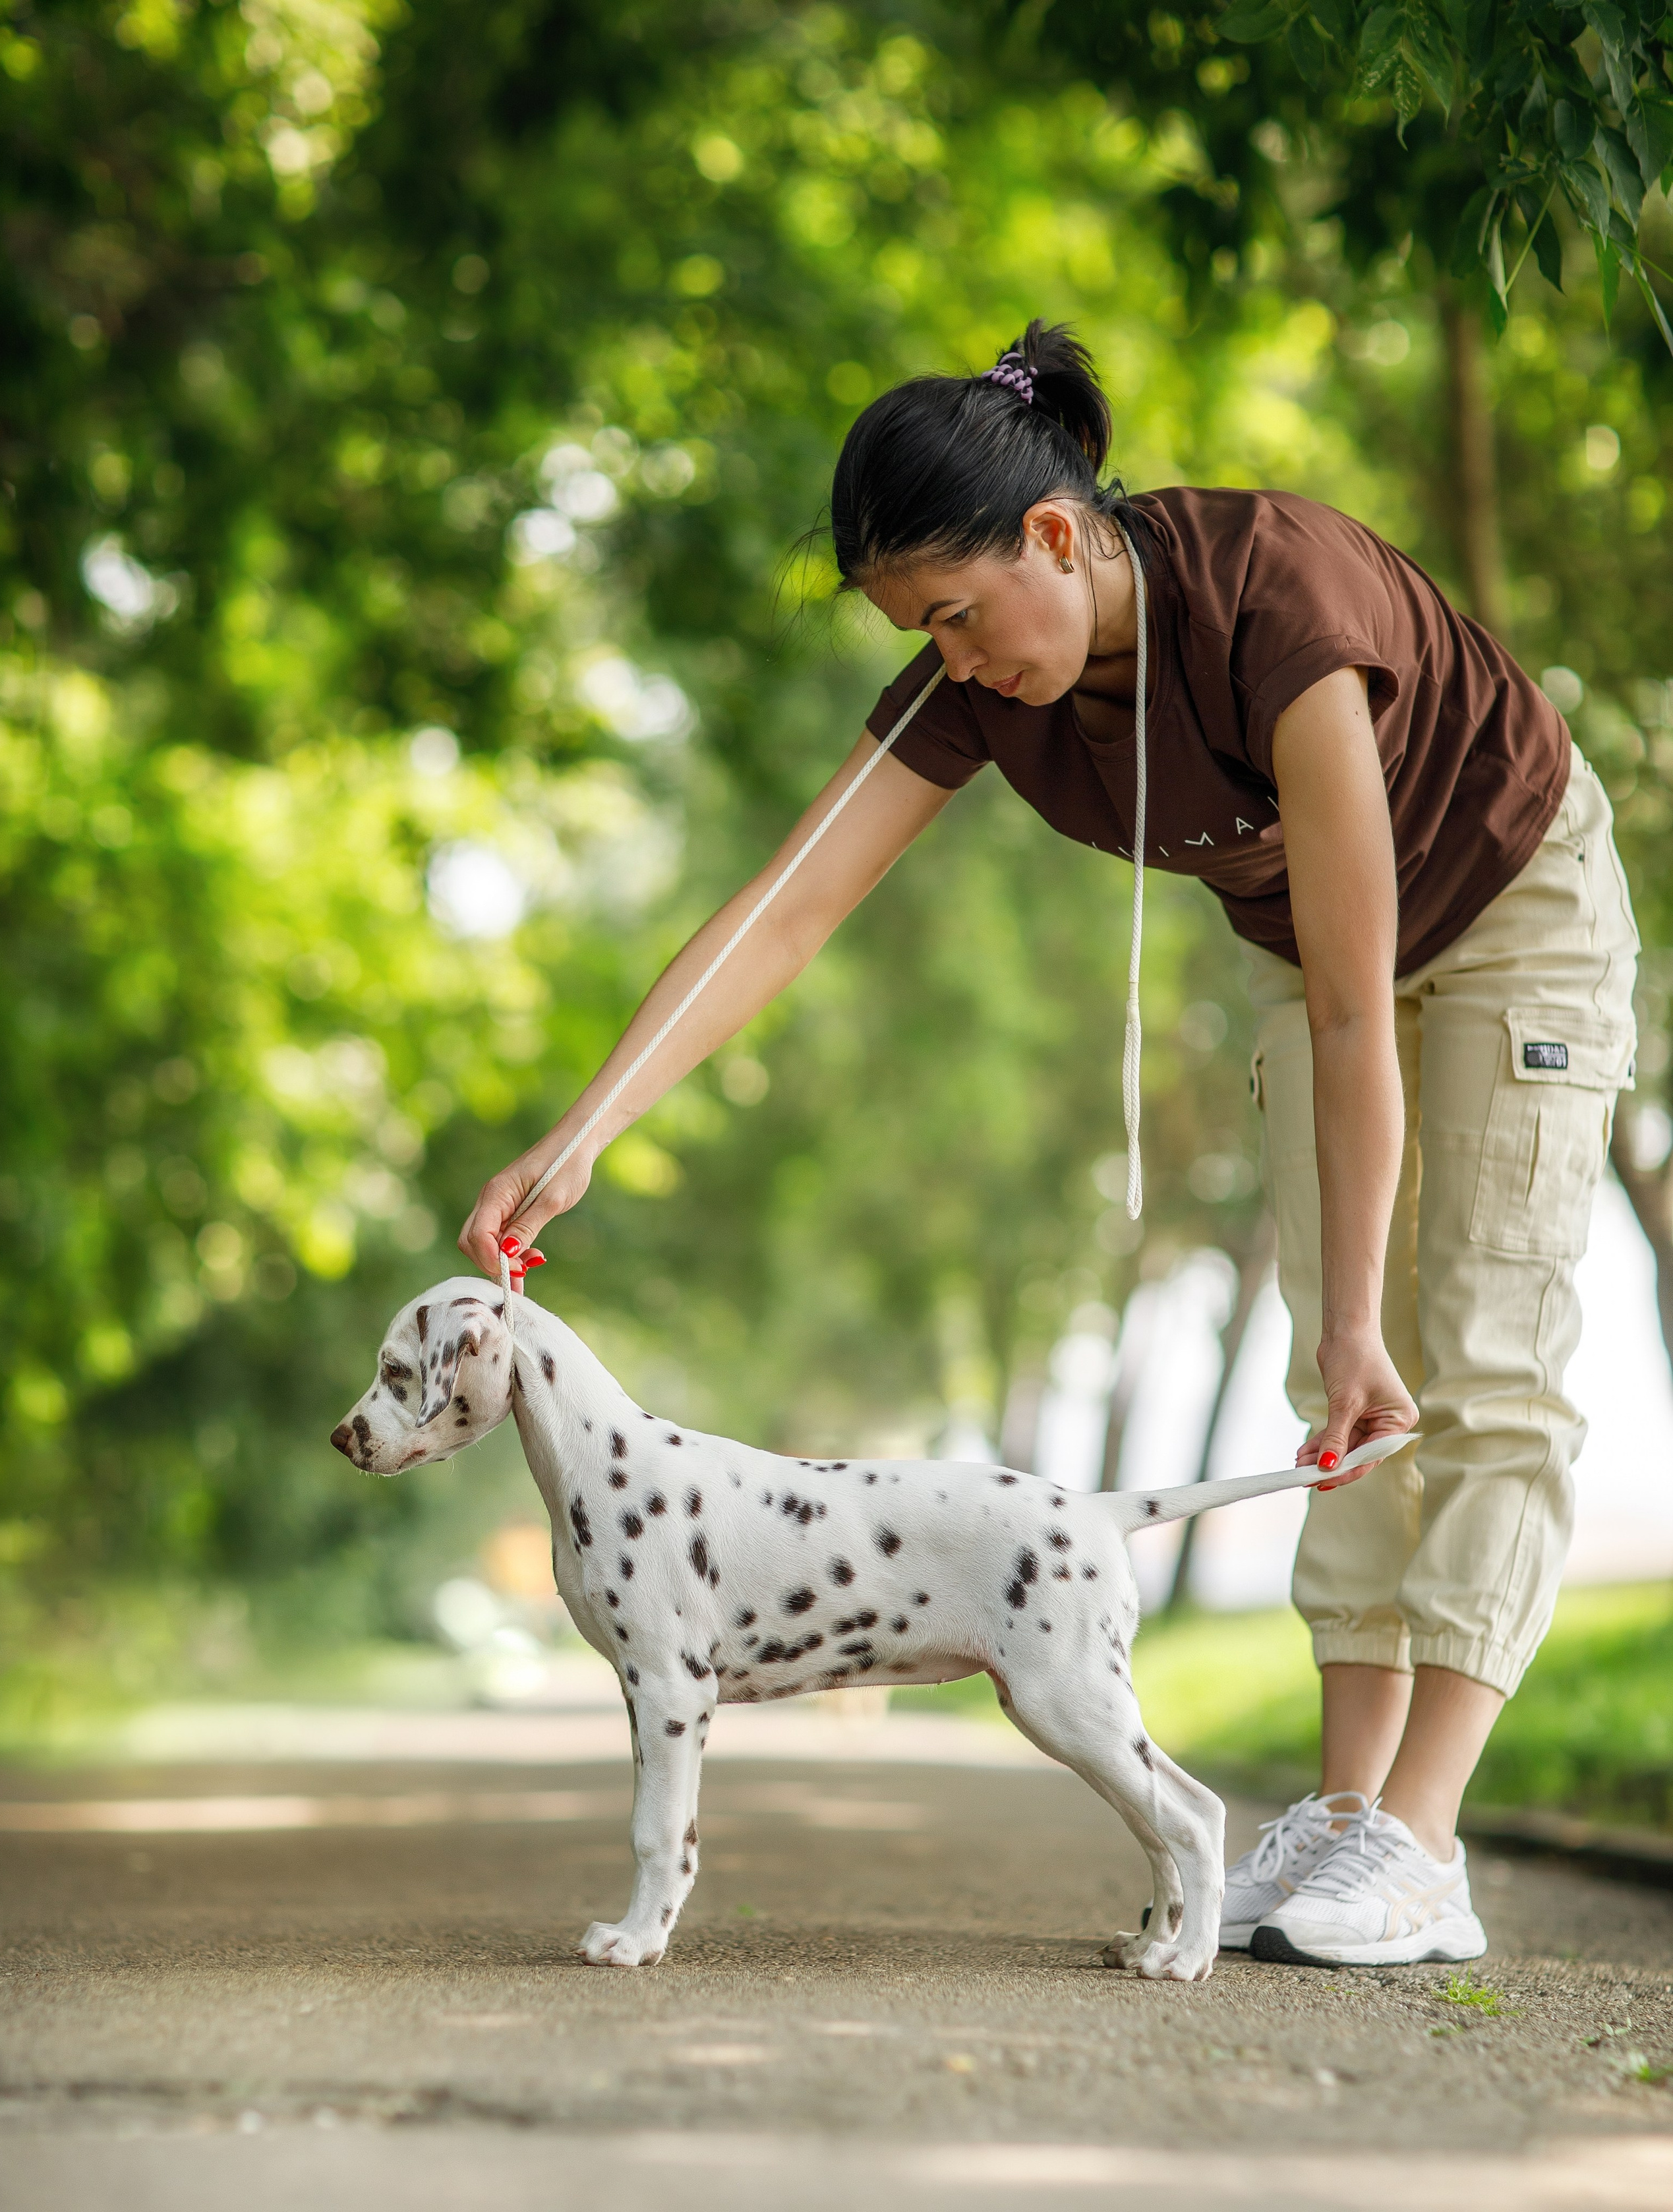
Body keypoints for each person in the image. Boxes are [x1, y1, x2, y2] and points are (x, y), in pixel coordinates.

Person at [461, 320, 1637, 1968]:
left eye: (954, 611)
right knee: (1337, 1389)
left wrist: (1363, 1302)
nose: (948, 655)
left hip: (1510, 911)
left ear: (1058, 537)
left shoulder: (1279, 602)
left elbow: (1362, 1010)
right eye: (913, 631)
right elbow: (788, 909)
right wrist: (581, 1130)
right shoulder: (985, 686)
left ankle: (1420, 1842)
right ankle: (1342, 1819)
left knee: (1468, 1363)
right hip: (1322, 964)